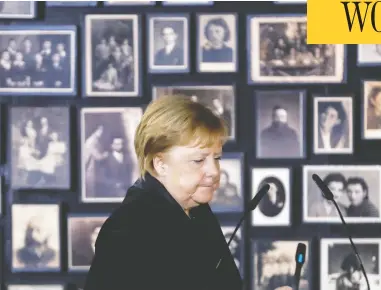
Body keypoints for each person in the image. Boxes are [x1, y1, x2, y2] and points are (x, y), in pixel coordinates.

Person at [84, 96, 291, 290]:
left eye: (217, 158)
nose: (214, 171)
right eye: (199, 160)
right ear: (161, 164)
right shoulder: (128, 230)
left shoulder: (197, 212)